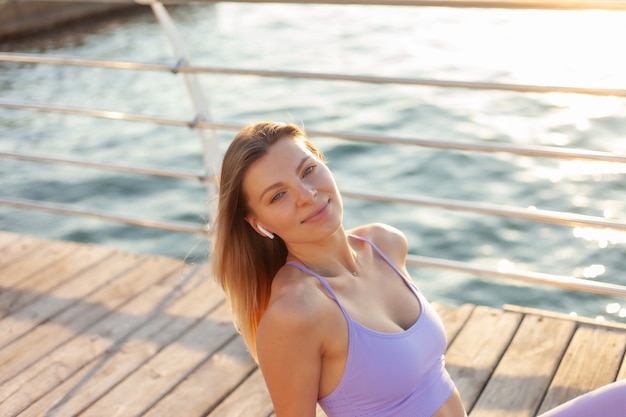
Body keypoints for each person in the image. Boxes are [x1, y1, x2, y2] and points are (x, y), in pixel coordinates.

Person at [211, 121, 626, 417]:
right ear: (257, 222)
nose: (306, 195)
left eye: (308, 170)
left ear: (323, 164)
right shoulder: (296, 311)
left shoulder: (385, 244)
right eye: (277, 195)